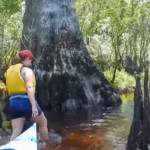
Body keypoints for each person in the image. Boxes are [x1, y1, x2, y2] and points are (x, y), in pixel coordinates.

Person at [6, 50, 49, 144]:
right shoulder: (27, 70)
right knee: (43, 123)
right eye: (31, 60)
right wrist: (33, 106)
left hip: (13, 102)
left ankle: (11, 147)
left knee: (16, 131)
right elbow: (29, 87)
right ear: (27, 59)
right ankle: (46, 146)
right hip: (26, 101)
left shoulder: (9, 70)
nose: (31, 62)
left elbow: (8, 90)